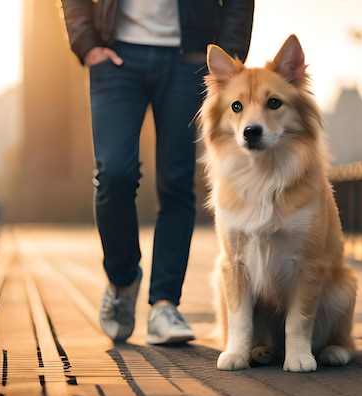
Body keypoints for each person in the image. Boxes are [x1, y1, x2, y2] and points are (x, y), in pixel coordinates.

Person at [61, 0, 254, 345]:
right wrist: (86, 44)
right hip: (115, 54)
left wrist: (228, 61)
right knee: (114, 175)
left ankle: (165, 305)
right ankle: (121, 280)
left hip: (189, 58)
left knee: (177, 180)